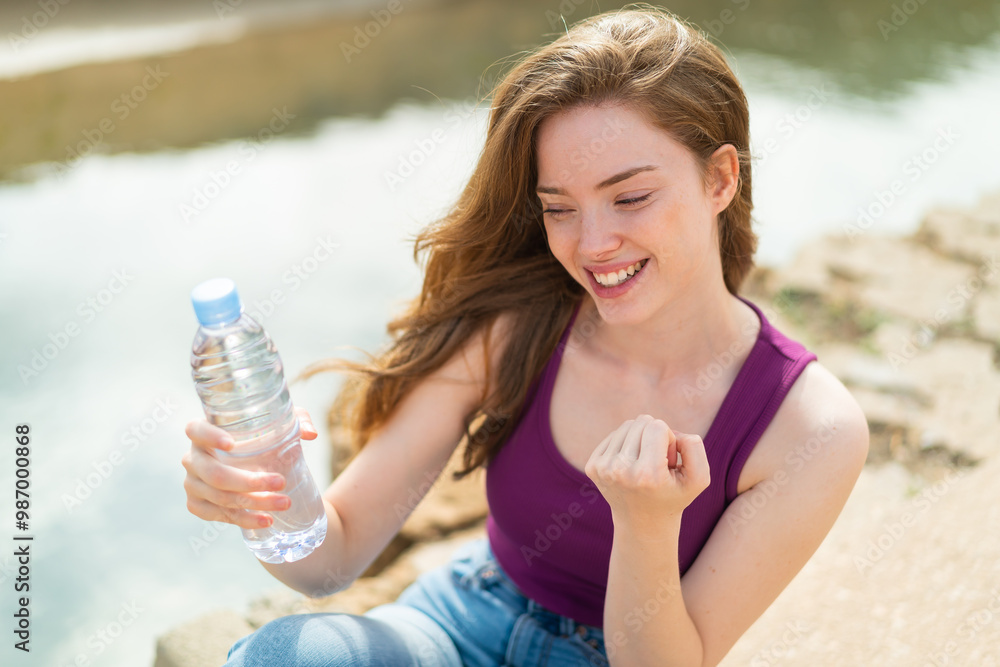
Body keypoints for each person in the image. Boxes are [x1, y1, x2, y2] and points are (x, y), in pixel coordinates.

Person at [182, 5, 869, 666]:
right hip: (458, 623)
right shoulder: (518, 326)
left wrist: (645, 523)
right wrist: (265, 501)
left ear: (720, 177)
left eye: (630, 197)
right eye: (559, 209)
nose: (594, 244)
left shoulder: (811, 427)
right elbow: (330, 559)